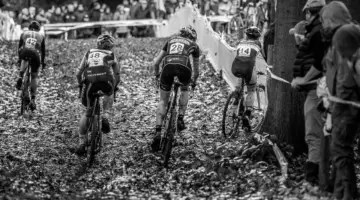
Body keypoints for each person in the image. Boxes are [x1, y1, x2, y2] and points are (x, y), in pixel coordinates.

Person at [321, 2, 357, 199]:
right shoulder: (347, 33)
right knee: (341, 150)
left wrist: (340, 99)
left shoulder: (344, 34)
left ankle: (349, 195)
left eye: (325, 21)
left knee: (341, 150)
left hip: (347, 103)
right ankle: (341, 193)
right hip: (342, 101)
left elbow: (350, 70)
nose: (323, 26)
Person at [290, 0, 326, 185]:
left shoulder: (319, 31)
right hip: (315, 88)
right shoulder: (316, 31)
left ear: (309, 13)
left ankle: (313, 180)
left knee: (313, 134)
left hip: (317, 89)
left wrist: (304, 80)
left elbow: (319, 62)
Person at [151, 26, 200, 152]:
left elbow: (156, 63)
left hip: (167, 67)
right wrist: (193, 82)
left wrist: (157, 76)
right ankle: (180, 118)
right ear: (192, 37)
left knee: (163, 100)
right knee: (184, 89)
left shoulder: (170, 41)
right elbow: (196, 71)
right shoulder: (193, 45)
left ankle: (157, 131)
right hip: (184, 68)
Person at [75, 34, 120, 155]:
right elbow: (117, 75)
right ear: (111, 47)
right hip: (106, 82)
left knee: (87, 111)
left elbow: (78, 73)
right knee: (110, 91)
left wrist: (80, 84)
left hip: (90, 84)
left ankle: (82, 142)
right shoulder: (111, 55)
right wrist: (114, 88)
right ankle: (105, 115)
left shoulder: (89, 52)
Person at [230, 26, 262, 132]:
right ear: (257, 37)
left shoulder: (240, 42)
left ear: (246, 35)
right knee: (251, 90)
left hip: (236, 67)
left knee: (239, 89)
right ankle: (247, 114)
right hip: (248, 68)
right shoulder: (257, 44)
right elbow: (262, 59)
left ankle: (234, 106)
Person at [15, 21, 46, 111]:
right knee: (34, 75)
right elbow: (43, 52)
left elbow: (19, 48)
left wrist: (19, 59)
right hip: (35, 54)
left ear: (29, 28)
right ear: (38, 29)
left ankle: (20, 76)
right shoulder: (41, 36)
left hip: (24, 52)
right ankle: (33, 98)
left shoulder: (24, 33)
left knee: (24, 58)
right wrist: (43, 63)